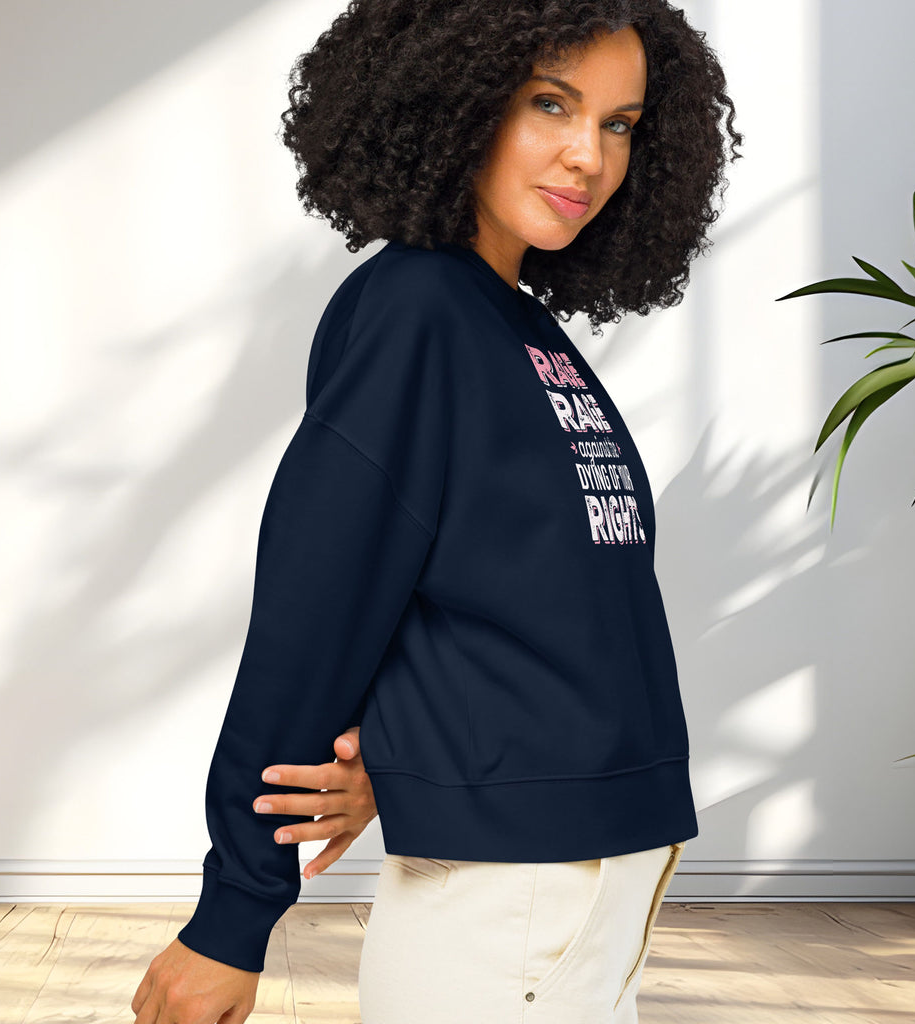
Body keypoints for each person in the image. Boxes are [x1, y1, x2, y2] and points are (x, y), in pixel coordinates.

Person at [131, 1, 742, 1021]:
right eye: (551, 102)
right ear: (458, 98)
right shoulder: (418, 310)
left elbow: (508, 598)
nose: (587, 154)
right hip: (510, 892)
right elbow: (318, 605)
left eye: (620, 123)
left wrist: (400, 755)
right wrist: (232, 914)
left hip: (593, 868)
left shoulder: (518, 328)